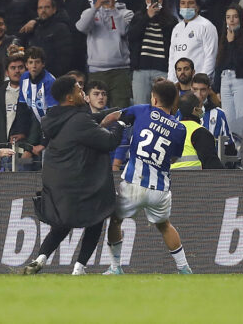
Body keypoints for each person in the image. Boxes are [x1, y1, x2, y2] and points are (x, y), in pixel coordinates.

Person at [22, 76, 125, 276]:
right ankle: (80, 267)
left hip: (59, 182)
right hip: (79, 181)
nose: (83, 92)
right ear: (70, 98)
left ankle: (40, 258)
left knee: (63, 224)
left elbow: (91, 119)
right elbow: (110, 142)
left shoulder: (57, 117)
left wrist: (115, 112)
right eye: (79, 90)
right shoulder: (79, 120)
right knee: (97, 217)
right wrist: (121, 124)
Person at [104, 79, 192, 275]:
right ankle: (184, 268)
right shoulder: (180, 128)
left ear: (154, 98)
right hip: (159, 189)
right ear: (174, 101)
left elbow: (115, 115)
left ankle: (115, 267)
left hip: (133, 184)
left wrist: (99, 125)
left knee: (116, 220)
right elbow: (174, 157)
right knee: (164, 225)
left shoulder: (143, 110)